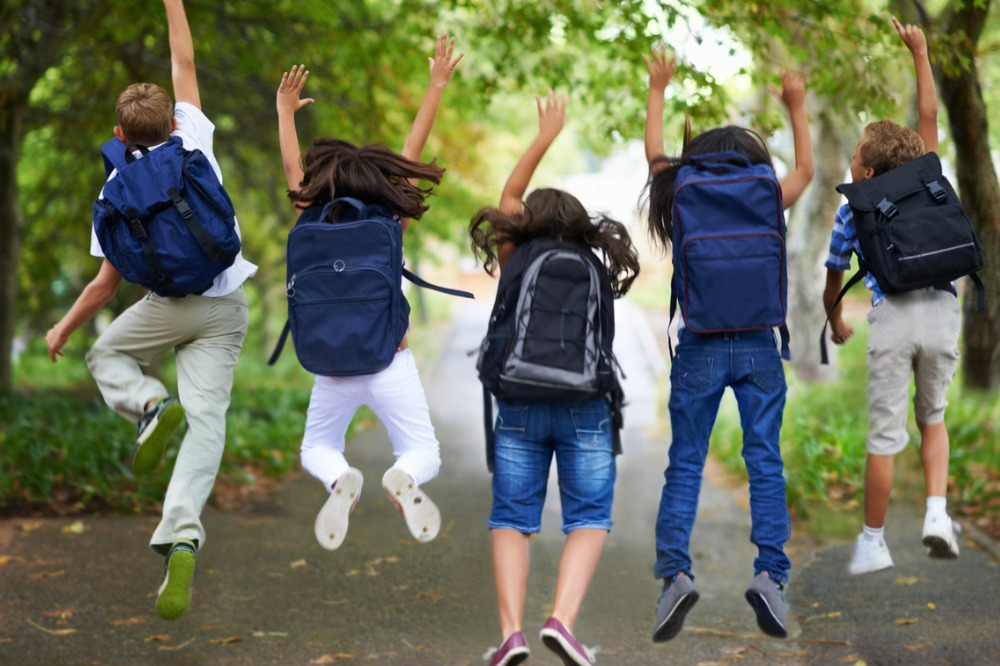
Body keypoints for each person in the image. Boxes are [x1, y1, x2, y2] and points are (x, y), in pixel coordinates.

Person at [44, 0, 257, 621]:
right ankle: (182, 534)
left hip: (165, 306)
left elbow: (104, 288)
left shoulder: (113, 190)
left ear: (119, 135)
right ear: (172, 120)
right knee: (208, 420)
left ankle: (146, 406)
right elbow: (183, 58)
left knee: (105, 352)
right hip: (225, 303)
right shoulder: (195, 139)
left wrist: (61, 329)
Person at [643, 46, 813, 641]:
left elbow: (655, 156)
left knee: (685, 462)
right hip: (760, 347)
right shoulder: (766, 190)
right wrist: (796, 107)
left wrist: (658, 88)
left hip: (700, 347)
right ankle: (770, 574)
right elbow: (807, 173)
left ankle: (675, 577)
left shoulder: (680, 191)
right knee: (764, 459)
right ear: (748, 157)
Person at [471, 91, 640, 666]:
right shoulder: (595, 264)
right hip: (585, 405)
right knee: (589, 518)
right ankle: (562, 623)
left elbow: (510, 197)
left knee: (512, 521)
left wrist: (545, 135)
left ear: (529, 223)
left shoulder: (518, 255)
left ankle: (511, 636)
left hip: (518, 400)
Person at [275, 35, 463, 552]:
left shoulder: (308, 219)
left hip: (331, 366)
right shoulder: (388, 222)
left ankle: (340, 480)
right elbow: (411, 154)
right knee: (423, 451)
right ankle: (402, 477)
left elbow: (294, 174)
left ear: (322, 184)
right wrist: (436, 85)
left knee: (317, 446)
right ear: (381, 186)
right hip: (389, 360)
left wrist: (285, 112)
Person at [823, 18, 961, 575]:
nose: (852, 166)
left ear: (870, 169)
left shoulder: (854, 207)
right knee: (934, 416)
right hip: (943, 309)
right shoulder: (928, 179)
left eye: (856, 159)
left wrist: (834, 316)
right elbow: (928, 116)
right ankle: (936, 512)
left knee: (884, 436)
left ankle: (874, 542)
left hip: (893, 318)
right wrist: (921, 52)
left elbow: (834, 269)